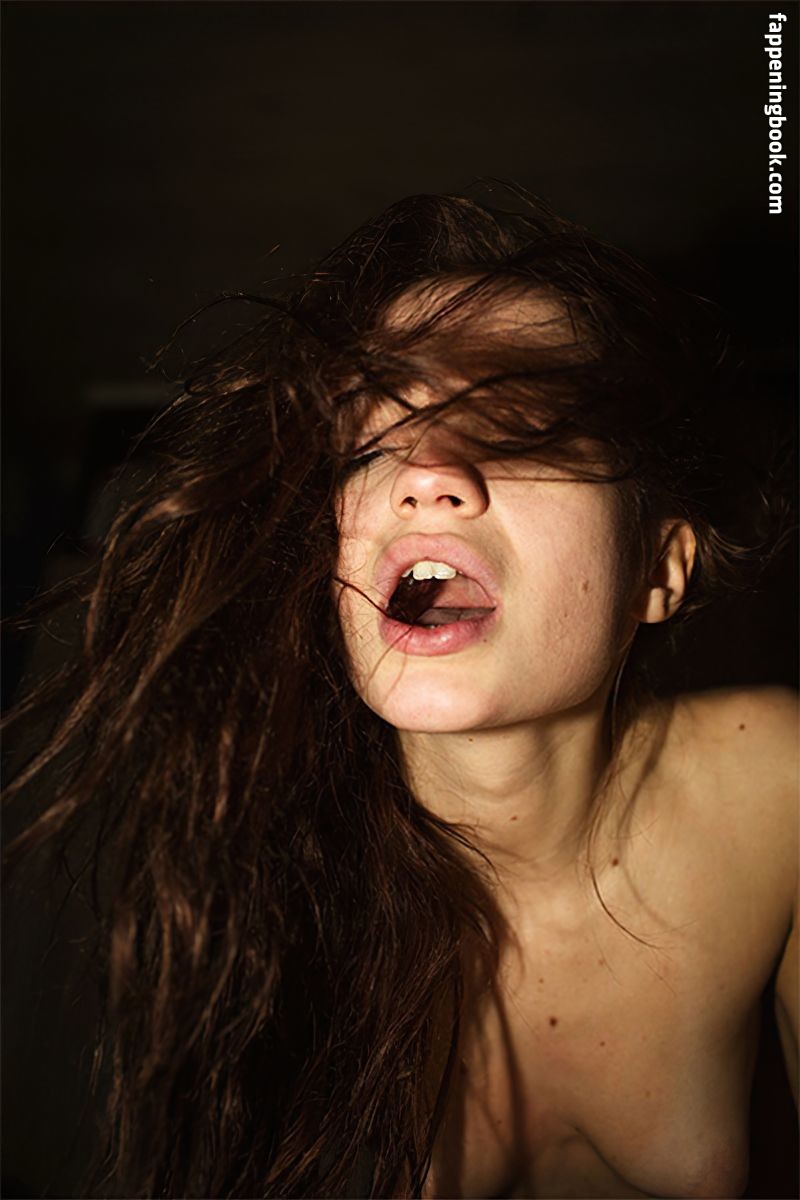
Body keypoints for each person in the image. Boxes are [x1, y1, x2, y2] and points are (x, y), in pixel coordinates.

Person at [5, 188, 797, 1199]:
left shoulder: (773, 792)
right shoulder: (246, 890)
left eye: (519, 425)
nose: (424, 472)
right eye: (374, 443)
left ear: (658, 567)